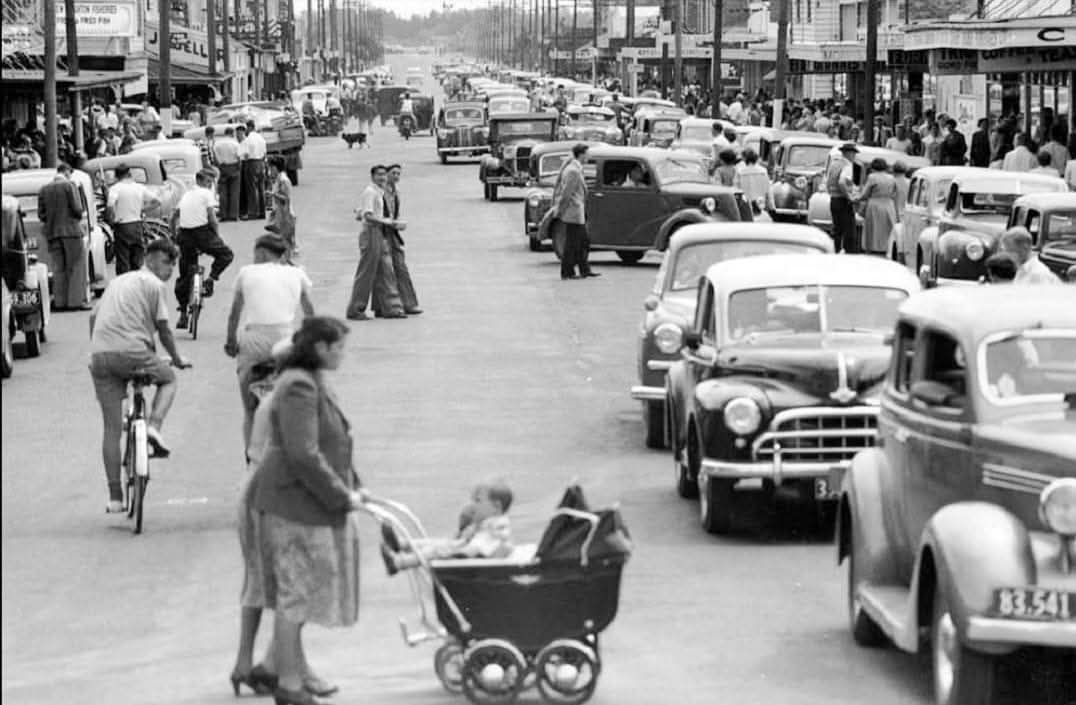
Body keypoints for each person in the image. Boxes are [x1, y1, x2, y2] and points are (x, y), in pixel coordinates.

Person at [246, 316, 366, 705]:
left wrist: (352, 484)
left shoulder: (310, 383)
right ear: (319, 348)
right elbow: (303, 453)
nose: (342, 355)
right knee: (295, 595)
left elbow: (331, 442)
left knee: (296, 595)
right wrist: (340, 494)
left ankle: (286, 673)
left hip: (300, 503)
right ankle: (291, 685)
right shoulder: (299, 385)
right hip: (292, 505)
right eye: (338, 347)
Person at [89, 238, 190, 513]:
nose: (170, 271)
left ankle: (115, 497)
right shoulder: (154, 285)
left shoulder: (116, 282)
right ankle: (154, 428)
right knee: (168, 379)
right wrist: (177, 359)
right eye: (169, 264)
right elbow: (164, 329)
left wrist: (99, 347)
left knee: (111, 429)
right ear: (154, 260)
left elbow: (93, 318)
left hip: (100, 356)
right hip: (134, 353)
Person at [226, 234, 314, 449]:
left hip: (254, 340)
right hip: (285, 340)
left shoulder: (246, 272)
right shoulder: (297, 273)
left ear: (261, 252)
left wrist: (231, 343)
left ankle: (251, 460)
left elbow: (234, 314)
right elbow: (309, 312)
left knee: (249, 410)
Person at [380, 481, 514, 575]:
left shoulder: (498, 524)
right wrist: (468, 531)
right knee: (438, 543)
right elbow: (472, 536)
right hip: (469, 551)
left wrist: (467, 537)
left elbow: (496, 543)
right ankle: (402, 544)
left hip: (471, 556)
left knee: (435, 550)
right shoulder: (488, 521)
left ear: (496, 507)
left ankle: (399, 563)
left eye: (478, 501)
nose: (472, 506)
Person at [170, 169, 234, 329]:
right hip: (202, 234)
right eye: (209, 182)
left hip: (184, 236)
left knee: (185, 274)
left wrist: (173, 235)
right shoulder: (206, 193)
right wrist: (217, 237)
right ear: (203, 181)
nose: (210, 185)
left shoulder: (186, 194)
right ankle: (210, 280)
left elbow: (173, 218)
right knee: (226, 254)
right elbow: (212, 219)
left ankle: (183, 313)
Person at [345, 165, 405, 320]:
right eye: (379, 175)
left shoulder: (378, 191)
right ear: (372, 176)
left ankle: (386, 308)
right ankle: (355, 309)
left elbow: (362, 211)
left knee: (384, 270)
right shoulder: (370, 192)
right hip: (371, 232)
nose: (383, 178)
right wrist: (388, 222)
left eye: (384, 175)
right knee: (366, 272)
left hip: (378, 232)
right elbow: (368, 215)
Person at [37, 162, 90, 310]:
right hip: (71, 232)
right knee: (76, 266)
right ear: (67, 172)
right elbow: (78, 209)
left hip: (52, 233)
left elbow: (41, 214)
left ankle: (60, 302)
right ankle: (75, 302)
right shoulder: (69, 185)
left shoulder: (44, 189)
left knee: (58, 268)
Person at [374, 164, 421, 316]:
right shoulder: (378, 192)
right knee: (385, 271)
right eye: (393, 173)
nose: (396, 176)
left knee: (400, 267)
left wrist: (398, 222)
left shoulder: (396, 192)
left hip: (393, 232)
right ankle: (386, 307)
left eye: (398, 174)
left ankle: (408, 303)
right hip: (380, 232)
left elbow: (396, 212)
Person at [550, 143, 598, 280]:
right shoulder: (573, 171)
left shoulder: (576, 169)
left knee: (582, 241)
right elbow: (567, 194)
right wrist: (560, 211)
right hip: (573, 212)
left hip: (576, 211)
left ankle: (584, 269)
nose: (589, 156)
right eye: (587, 153)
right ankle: (567, 272)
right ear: (581, 154)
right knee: (573, 243)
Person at [107, 163, 161, 274]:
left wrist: (111, 219)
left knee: (123, 260)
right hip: (137, 225)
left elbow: (110, 206)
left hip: (122, 226)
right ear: (129, 174)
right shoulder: (139, 187)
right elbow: (157, 201)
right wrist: (142, 209)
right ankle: (136, 285)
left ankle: (124, 286)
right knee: (137, 260)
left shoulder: (115, 188)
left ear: (117, 176)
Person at [856, 158, 898, 255]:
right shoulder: (891, 178)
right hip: (888, 205)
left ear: (873, 167)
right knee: (887, 228)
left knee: (873, 228)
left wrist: (857, 198)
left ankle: (872, 248)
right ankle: (886, 248)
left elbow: (865, 194)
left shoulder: (872, 177)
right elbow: (894, 193)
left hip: (874, 205)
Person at [827, 143, 859, 253]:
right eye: (854, 154)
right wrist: (849, 197)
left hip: (833, 199)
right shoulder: (847, 165)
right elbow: (842, 182)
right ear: (849, 153)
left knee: (837, 229)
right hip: (843, 200)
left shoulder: (834, 164)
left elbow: (828, 181)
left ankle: (836, 250)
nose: (854, 156)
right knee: (848, 230)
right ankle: (846, 253)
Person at [266, 155, 297, 253]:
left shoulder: (283, 180)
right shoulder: (278, 179)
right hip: (280, 211)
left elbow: (286, 198)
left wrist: (273, 194)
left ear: (275, 167)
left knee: (286, 238)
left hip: (285, 212)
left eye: (271, 168)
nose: (270, 170)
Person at [733, 148, 774, 216]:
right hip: (760, 205)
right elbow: (768, 191)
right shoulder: (763, 171)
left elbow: (736, 190)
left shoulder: (740, 171)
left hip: (745, 206)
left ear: (744, 159)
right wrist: (771, 206)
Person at [239, 122, 267, 220]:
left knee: (252, 188)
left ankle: (253, 212)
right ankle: (262, 212)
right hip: (261, 162)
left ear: (249, 127)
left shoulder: (248, 139)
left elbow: (245, 155)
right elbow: (264, 153)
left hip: (251, 163)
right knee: (261, 187)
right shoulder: (261, 138)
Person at [214, 126, 242, 221]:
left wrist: (220, 166)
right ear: (232, 134)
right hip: (234, 166)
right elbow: (239, 157)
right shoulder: (235, 144)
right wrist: (239, 167)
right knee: (234, 192)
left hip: (222, 167)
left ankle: (223, 215)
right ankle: (233, 215)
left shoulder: (217, 144)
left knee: (223, 192)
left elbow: (215, 158)